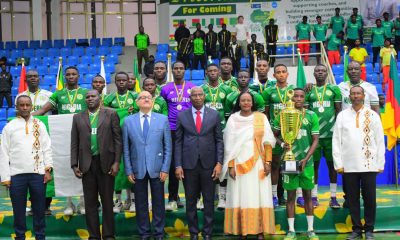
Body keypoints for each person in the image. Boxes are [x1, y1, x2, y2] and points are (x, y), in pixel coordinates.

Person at [33, 66, 88, 216]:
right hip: (65, 136)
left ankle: (83, 202)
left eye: (73, 74)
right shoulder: (59, 94)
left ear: (79, 76)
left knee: (84, 166)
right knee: (67, 167)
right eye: (68, 74)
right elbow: (43, 110)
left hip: (84, 134)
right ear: (64, 77)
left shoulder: (85, 93)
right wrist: (27, 116)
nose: (70, 76)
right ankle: (69, 203)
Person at [333, 85, 385, 240]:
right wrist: (338, 163)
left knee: (370, 198)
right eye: (353, 94)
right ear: (349, 96)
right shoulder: (342, 116)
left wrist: (380, 162)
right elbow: (336, 140)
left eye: (358, 93)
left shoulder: (373, 115)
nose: (355, 96)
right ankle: (356, 229)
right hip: (348, 165)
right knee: (352, 199)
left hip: (369, 164)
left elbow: (380, 140)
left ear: (363, 96)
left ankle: (369, 229)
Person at [222, 91, 276, 238]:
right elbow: (229, 145)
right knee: (241, 195)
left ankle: (260, 230)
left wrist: (268, 162)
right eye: (243, 100)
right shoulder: (233, 119)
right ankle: (242, 230)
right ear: (239, 103)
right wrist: (231, 166)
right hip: (239, 163)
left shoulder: (261, 117)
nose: (246, 103)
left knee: (259, 195)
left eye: (248, 100)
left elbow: (268, 141)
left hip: (258, 162)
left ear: (252, 103)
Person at [71, 90, 122, 240]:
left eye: (93, 96)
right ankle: (93, 236)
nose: (90, 99)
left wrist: (117, 161)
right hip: (87, 165)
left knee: (107, 201)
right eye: (87, 97)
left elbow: (118, 140)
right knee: (90, 203)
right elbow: (74, 143)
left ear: (100, 98)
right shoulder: (78, 117)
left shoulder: (111, 114)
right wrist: (74, 165)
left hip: (106, 163)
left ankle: (108, 235)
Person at [0, 95, 53, 240]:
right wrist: (6, 177)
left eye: (27, 105)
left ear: (31, 106)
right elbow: (3, 153)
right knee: (18, 210)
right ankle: (20, 236)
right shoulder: (9, 127)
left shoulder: (39, 124)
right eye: (21, 105)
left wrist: (47, 169)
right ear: (16, 107)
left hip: (38, 174)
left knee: (39, 209)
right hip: (16, 175)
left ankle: (40, 236)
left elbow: (47, 148)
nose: (24, 108)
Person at [175, 87, 223, 240]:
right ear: (190, 98)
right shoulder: (182, 116)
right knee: (190, 201)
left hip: (209, 164)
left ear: (204, 96)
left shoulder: (214, 115)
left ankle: (207, 232)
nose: (197, 97)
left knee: (209, 200)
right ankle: (194, 233)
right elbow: (178, 142)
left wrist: (219, 163)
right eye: (194, 95)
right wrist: (178, 165)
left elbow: (219, 141)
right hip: (189, 165)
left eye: (199, 94)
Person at [123, 90, 172, 240]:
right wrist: (129, 169)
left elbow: (168, 147)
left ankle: (158, 232)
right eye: (142, 98)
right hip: (137, 169)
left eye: (148, 97)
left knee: (159, 203)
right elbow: (125, 148)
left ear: (153, 102)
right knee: (140, 203)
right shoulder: (128, 121)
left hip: (158, 169)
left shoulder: (163, 119)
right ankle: (144, 232)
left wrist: (165, 168)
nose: (145, 99)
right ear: (137, 102)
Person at [273, 88, 320, 240]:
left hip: (307, 162)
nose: (298, 99)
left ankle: (311, 229)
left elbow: (315, 140)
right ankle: (291, 230)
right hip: (289, 161)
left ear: (305, 98)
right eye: (296, 96)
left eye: (301, 96)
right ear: (291, 98)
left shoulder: (311, 115)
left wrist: (306, 158)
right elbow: (274, 136)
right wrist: (282, 145)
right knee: (291, 196)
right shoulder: (282, 115)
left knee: (307, 196)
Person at [16, 70, 54, 215]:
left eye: (35, 76)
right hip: (28, 138)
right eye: (30, 77)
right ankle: (33, 205)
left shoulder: (48, 95)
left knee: (46, 168)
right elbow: (18, 116)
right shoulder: (20, 96)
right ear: (25, 79)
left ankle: (46, 205)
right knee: (32, 169)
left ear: (40, 78)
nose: (33, 78)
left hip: (45, 137)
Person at [160, 61, 196, 211]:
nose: (178, 71)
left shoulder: (192, 88)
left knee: (189, 164)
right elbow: (162, 108)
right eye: (176, 68)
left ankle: (191, 198)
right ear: (172, 71)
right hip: (172, 130)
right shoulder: (165, 89)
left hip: (189, 130)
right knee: (174, 163)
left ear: (185, 70)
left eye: (181, 68)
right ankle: (173, 198)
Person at [305, 65, 342, 208]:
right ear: (313, 73)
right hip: (314, 137)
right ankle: (314, 197)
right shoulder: (309, 90)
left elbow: (338, 111)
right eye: (317, 71)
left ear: (327, 73)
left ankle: (333, 197)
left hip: (331, 135)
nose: (320, 73)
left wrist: (338, 132)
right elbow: (306, 113)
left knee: (332, 166)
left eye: (323, 71)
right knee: (314, 166)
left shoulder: (334, 89)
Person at [103, 72, 138, 213]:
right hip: (114, 138)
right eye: (119, 80)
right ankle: (118, 200)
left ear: (129, 81)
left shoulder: (135, 97)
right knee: (116, 167)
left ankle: (133, 200)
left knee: (131, 167)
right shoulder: (109, 98)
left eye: (125, 80)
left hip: (132, 137)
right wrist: (117, 110)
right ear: (115, 82)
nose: (122, 82)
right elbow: (102, 111)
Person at [262, 64, 294, 207]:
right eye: (278, 72)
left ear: (287, 74)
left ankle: (293, 195)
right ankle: (274, 196)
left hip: (291, 134)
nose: (281, 74)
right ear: (273, 76)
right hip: (274, 134)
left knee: (290, 165)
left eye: (283, 72)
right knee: (275, 165)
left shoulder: (294, 90)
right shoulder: (269, 92)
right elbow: (265, 113)